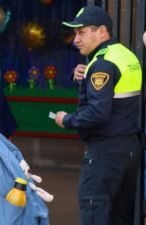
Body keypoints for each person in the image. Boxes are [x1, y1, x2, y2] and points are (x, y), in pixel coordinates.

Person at [55, 6, 142, 225]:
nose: (76, 39)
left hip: (105, 152)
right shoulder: (126, 54)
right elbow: (115, 97)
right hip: (129, 148)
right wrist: (80, 80)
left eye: (81, 32)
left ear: (102, 31)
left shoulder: (102, 62)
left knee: (94, 213)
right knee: (120, 217)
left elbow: (98, 112)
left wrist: (66, 120)